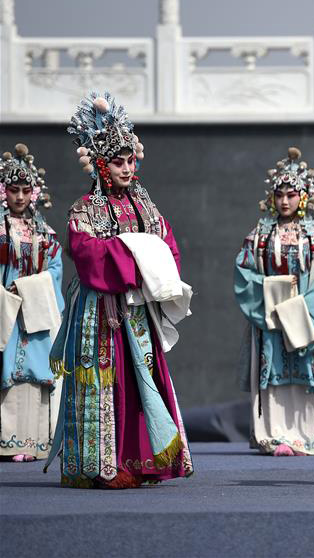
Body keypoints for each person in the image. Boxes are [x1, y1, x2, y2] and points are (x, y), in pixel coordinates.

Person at [45, 92, 193, 488]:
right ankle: (102, 465)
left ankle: (145, 459)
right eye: (117, 161)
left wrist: (148, 265)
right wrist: (134, 252)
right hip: (100, 310)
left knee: (140, 379)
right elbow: (85, 254)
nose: (127, 168)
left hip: (137, 309)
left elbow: (168, 248)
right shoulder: (83, 209)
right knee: (103, 382)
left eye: (130, 160)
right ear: (100, 165)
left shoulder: (146, 207)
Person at [234, 147, 314, 456]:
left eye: (291, 194)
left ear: (304, 196)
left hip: (305, 317)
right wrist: (275, 293)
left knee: (308, 369)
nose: (284, 201)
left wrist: (302, 307)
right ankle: (274, 434)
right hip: (271, 318)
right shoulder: (260, 236)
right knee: (272, 372)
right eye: (279, 194)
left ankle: (311, 435)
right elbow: (244, 272)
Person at [0, 143, 63, 462]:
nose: (20, 197)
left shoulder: (45, 233)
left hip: (34, 313)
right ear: (4, 192)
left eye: (26, 190)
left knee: (36, 376)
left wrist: (28, 286)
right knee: (6, 373)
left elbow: (54, 271)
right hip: (4, 311)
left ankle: (33, 443)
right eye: (14, 190)